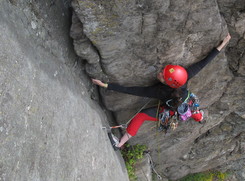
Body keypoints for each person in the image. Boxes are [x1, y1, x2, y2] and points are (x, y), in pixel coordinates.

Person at [93, 34, 231, 150]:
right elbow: (203, 63)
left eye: (162, 75)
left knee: (141, 116)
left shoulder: (159, 92)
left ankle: (119, 144)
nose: (160, 73)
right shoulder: (184, 77)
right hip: (185, 103)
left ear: (168, 82)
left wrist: (106, 85)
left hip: (170, 112)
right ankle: (199, 117)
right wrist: (222, 44)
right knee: (191, 110)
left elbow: (132, 90)